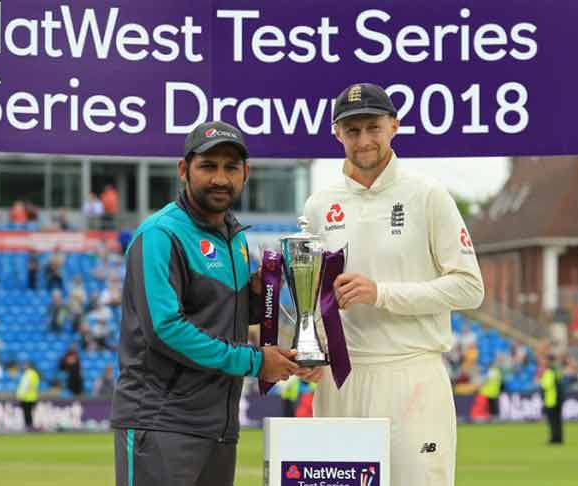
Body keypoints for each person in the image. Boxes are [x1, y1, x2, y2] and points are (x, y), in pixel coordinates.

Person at [299, 83, 484, 486]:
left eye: (373, 127)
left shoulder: (427, 195)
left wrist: (381, 293)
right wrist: (309, 351)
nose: (363, 140)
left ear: (394, 126)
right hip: (340, 380)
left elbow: (470, 288)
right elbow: (308, 299)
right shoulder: (318, 205)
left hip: (410, 372)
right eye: (352, 130)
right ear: (336, 134)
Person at [110, 120, 299, 486]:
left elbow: (222, 317)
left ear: (246, 172)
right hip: (161, 423)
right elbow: (165, 330)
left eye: (231, 167)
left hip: (217, 427)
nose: (220, 178)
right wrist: (256, 361)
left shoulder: (236, 240)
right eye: (208, 166)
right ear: (184, 170)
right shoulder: (160, 235)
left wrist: (258, 297)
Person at [540, 354, 565, 444]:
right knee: (558, 420)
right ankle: (559, 438)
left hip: (551, 399)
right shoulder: (557, 371)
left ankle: (554, 438)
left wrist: (541, 382)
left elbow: (546, 385)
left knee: (552, 421)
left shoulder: (549, 372)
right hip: (559, 398)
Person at [15, 361, 40, 430]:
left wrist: (19, 395)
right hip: (33, 396)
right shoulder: (35, 374)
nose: (24, 367)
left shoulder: (28, 374)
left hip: (26, 397)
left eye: (25, 365)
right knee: (29, 412)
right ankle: (30, 426)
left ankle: (28, 426)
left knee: (27, 413)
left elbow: (24, 386)